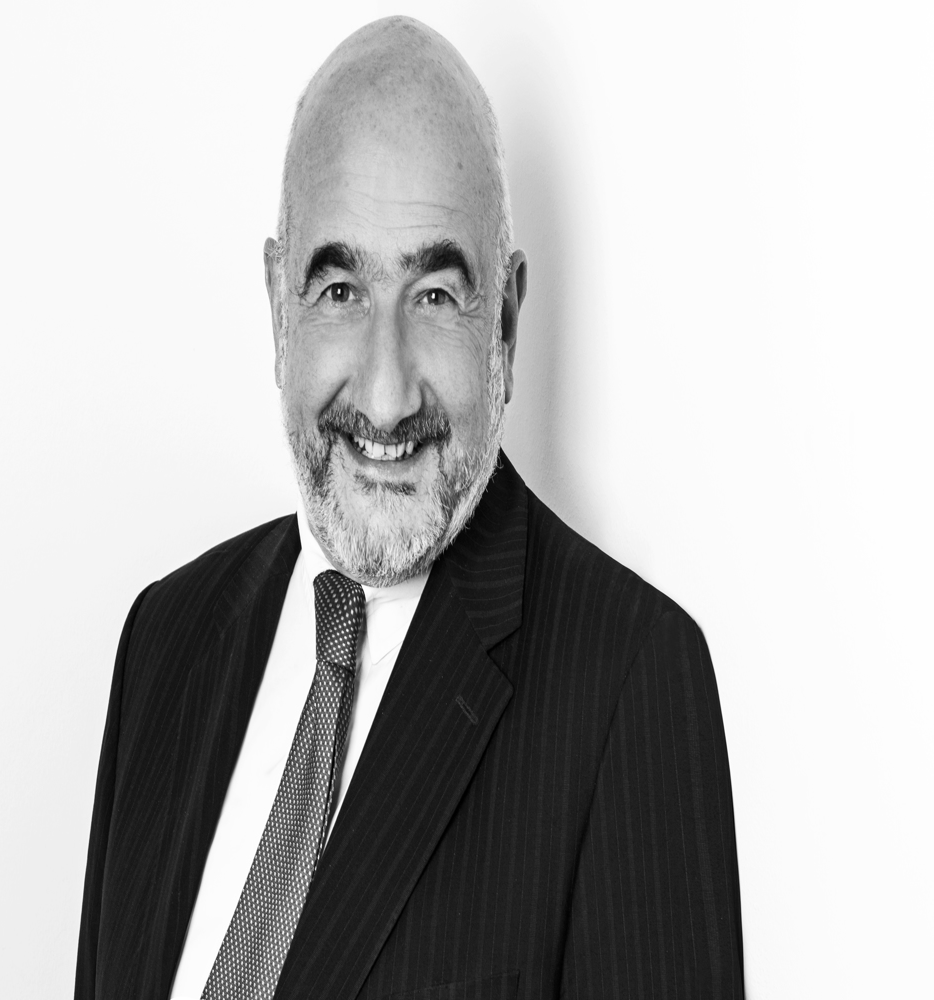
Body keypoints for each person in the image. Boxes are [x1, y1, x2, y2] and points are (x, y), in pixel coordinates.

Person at [75, 16, 744, 1000]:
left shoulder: (631, 685)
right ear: (278, 308)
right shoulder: (165, 639)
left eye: (435, 295)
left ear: (503, 321)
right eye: (340, 289)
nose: (385, 398)